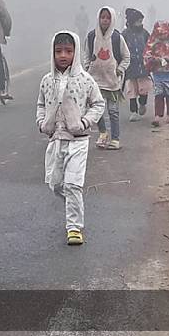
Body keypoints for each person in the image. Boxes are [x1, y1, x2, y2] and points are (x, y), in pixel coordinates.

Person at [36, 31, 106, 245]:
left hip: (78, 140)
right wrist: (42, 122)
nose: (63, 55)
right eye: (58, 51)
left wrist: (84, 122)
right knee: (56, 184)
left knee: (73, 184)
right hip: (55, 139)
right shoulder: (47, 80)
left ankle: (74, 227)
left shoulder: (85, 80)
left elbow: (98, 104)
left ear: (75, 52)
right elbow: (40, 104)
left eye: (68, 51)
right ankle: (74, 203)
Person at [83, 7, 130, 150]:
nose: (105, 20)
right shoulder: (91, 36)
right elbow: (86, 54)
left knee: (113, 111)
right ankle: (103, 133)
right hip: (95, 81)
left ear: (112, 20)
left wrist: (120, 69)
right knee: (97, 110)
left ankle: (115, 139)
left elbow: (126, 57)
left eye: (108, 18)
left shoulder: (117, 38)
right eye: (102, 17)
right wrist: (87, 68)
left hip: (112, 82)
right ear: (98, 18)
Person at [144, 21, 169, 127]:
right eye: (159, 33)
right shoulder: (152, 41)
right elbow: (147, 54)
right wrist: (153, 60)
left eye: (164, 33)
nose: (162, 36)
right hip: (158, 73)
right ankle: (158, 116)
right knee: (159, 95)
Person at [122, 8, 152, 122]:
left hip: (143, 67)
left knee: (144, 88)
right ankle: (133, 112)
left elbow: (151, 45)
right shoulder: (125, 34)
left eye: (141, 21)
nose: (140, 23)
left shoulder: (144, 33)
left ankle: (142, 103)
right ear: (131, 21)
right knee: (132, 90)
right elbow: (120, 49)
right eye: (138, 21)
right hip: (130, 67)